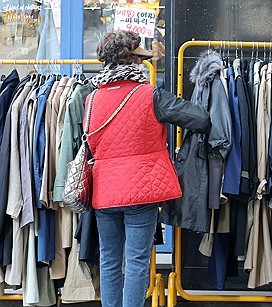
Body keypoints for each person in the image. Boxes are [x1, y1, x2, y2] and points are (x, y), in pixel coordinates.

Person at [88, 30, 211, 307]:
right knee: (136, 262)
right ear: (131, 60)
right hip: (141, 190)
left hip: (104, 192)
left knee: (109, 260)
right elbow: (199, 118)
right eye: (139, 58)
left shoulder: (91, 98)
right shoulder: (149, 95)